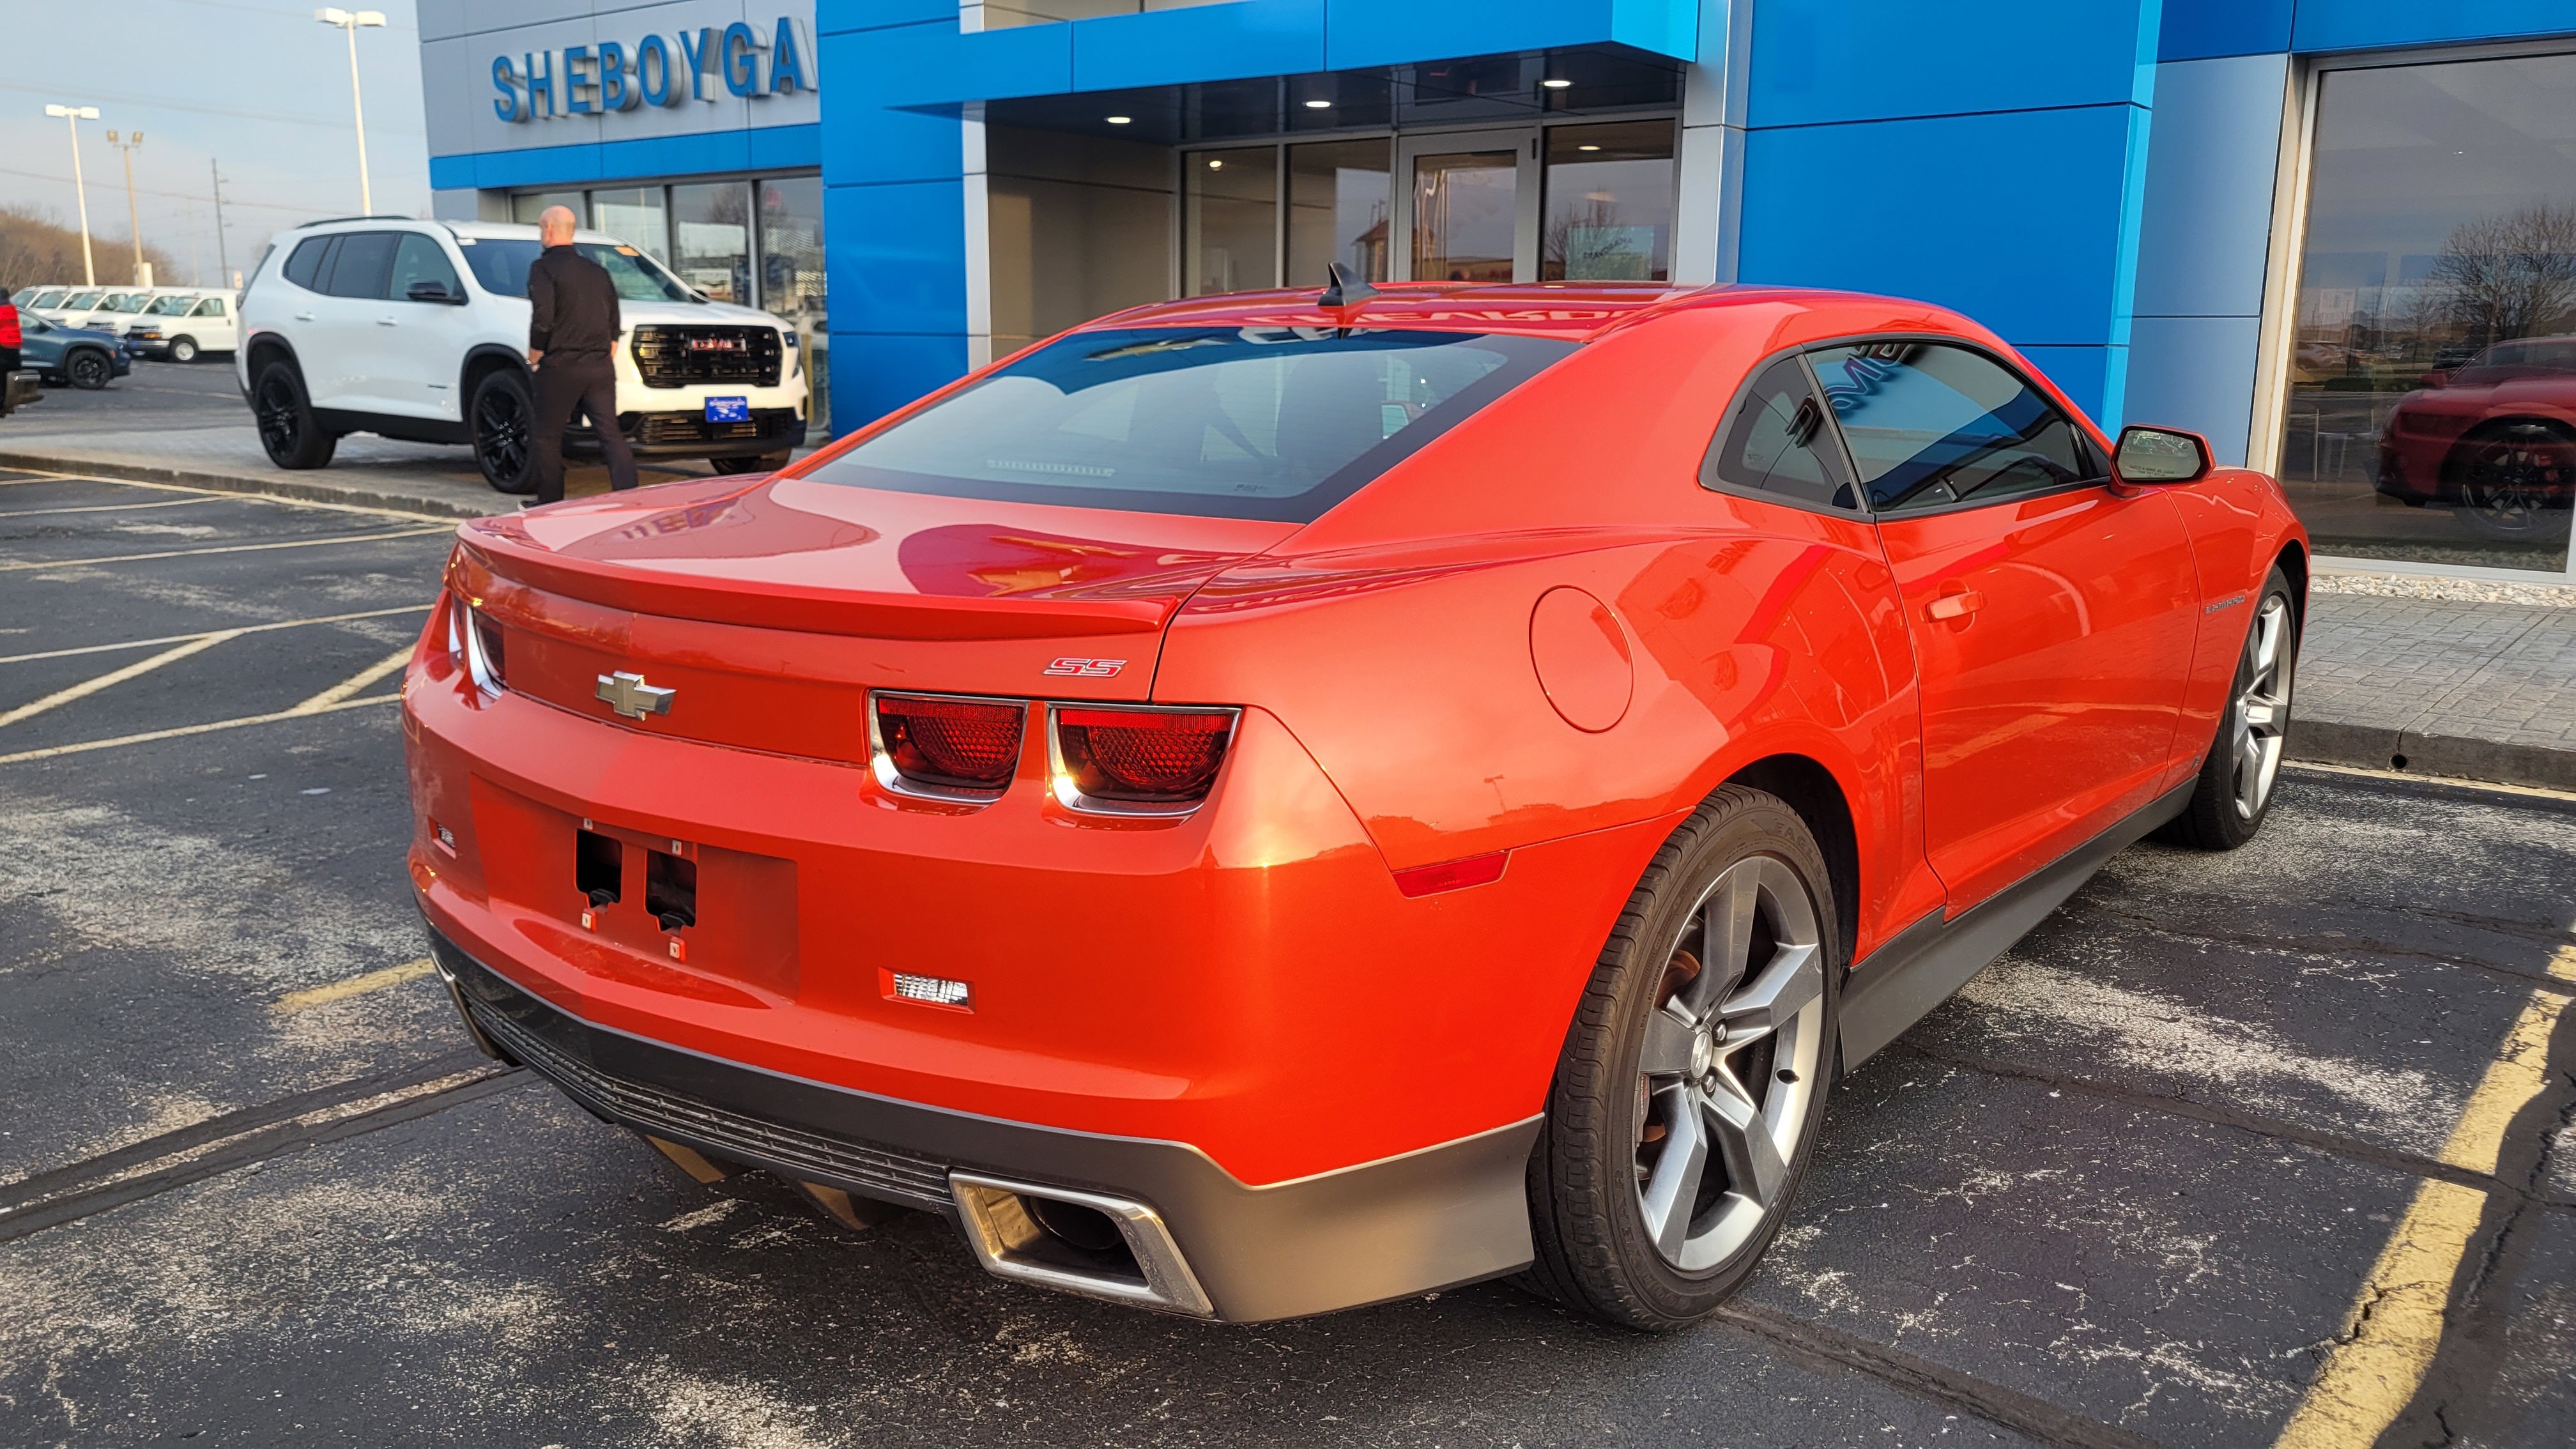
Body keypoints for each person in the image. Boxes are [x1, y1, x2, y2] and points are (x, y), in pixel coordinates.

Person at [526, 206, 639, 505]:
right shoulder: (597, 271)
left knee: (547, 435)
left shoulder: (543, 268)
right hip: (600, 365)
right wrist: (603, 356)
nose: (541, 235)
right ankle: (631, 496)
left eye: (541, 229)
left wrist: (534, 357)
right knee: (610, 434)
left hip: (561, 366)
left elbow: (543, 319)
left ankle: (549, 502)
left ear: (549, 230)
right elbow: (614, 323)